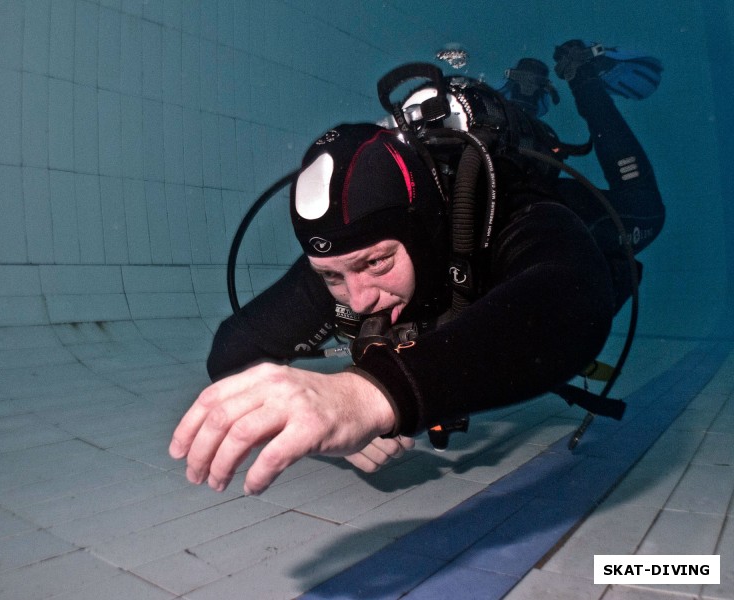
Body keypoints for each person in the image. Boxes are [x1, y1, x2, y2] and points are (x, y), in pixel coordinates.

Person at [169, 40, 665, 496]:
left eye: (377, 263)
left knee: (642, 219)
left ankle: (584, 82)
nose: (357, 299)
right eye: (330, 276)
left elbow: (570, 300)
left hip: (536, 194)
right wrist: (339, 423)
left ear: (421, 230)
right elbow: (234, 350)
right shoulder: (353, 250)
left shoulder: (516, 213)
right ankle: (526, 88)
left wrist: (369, 395)